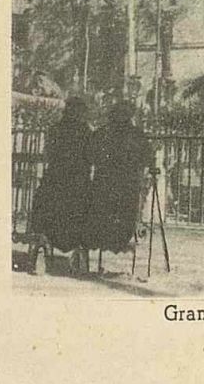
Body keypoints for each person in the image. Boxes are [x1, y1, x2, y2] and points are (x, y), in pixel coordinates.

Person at [28, 95, 92, 274]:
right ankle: (77, 256)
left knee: (47, 212)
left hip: (55, 180)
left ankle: (42, 250)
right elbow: (90, 157)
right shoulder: (85, 131)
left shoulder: (55, 129)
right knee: (77, 213)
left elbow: (49, 153)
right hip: (77, 182)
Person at [84, 100, 154, 256]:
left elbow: (90, 155)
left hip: (115, 183)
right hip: (119, 183)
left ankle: (112, 240)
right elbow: (148, 157)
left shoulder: (108, 133)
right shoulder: (133, 134)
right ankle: (113, 240)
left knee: (119, 209)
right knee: (114, 209)